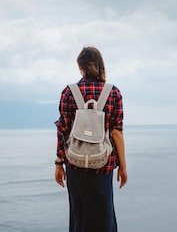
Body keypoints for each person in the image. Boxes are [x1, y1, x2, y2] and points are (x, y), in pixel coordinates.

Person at [54, 46, 128, 232]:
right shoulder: (113, 93)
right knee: (104, 217)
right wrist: (123, 167)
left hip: (75, 165)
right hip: (103, 165)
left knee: (79, 217)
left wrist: (58, 163)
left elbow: (62, 131)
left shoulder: (69, 92)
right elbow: (117, 132)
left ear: (80, 67)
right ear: (100, 66)